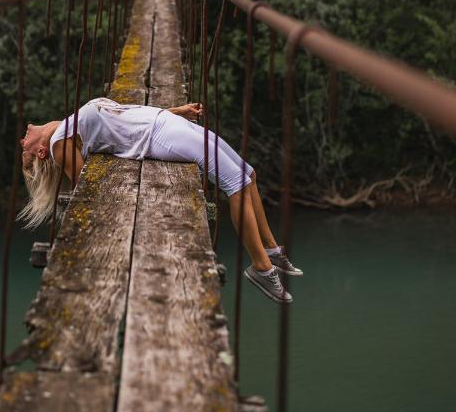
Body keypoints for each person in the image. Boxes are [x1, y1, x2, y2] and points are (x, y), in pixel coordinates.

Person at [18, 96, 302, 303]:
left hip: (163, 121)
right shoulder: (58, 145)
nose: (23, 136)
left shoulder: (70, 123)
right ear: (41, 153)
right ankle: (261, 268)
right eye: (25, 149)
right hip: (157, 136)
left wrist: (177, 110)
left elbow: (125, 114)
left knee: (248, 174)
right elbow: (86, 187)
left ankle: (272, 249)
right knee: (235, 183)